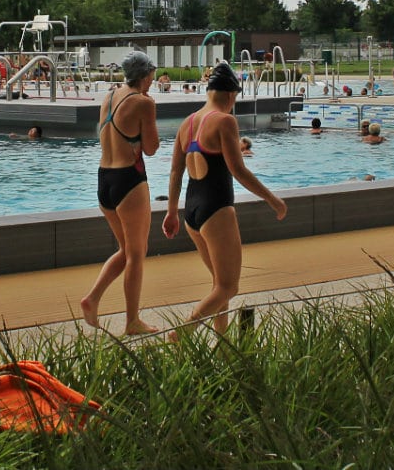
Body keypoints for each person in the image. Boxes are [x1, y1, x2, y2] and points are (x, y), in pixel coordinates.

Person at [163, 63, 286, 335]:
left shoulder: (187, 123)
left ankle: (224, 343)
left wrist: (172, 211)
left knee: (219, 284)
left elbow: (175, 171)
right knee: (229, 287)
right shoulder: (224, 121)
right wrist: (272, 199)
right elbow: (238, 170)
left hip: (192, 212)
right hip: (216, 209)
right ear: (231, 95)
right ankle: (182, 332)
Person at [80, 51, 161, 335]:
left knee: (126, 250)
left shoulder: (110, 96)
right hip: (129, 180)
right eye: (152, 74)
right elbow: (151, 148)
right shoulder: (143, 102)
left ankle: (92, 299)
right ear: (146, 74)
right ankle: (132, 321)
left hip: (105, 180)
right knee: (137, 254)